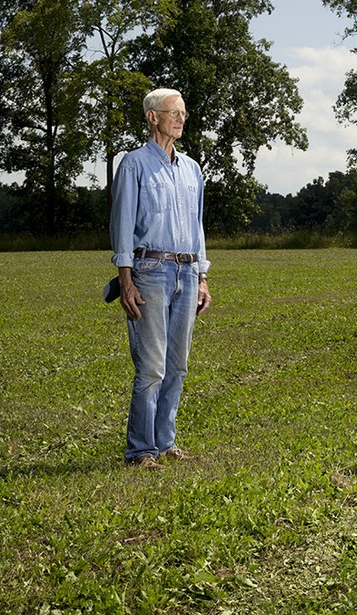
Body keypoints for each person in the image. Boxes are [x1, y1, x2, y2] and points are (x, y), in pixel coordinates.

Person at [110, 88, 211, 470]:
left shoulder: (192, 169)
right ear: (152, 117)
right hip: (149, 272)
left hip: (187, 271)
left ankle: (165, 442)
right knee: (152, 365)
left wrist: (202, 276)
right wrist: (126, 279)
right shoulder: (133, 164)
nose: (181, 118)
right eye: (174, 112)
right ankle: (140, 450)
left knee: (178, 365)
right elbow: (121, 225)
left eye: (184, 112)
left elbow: (197, 227)